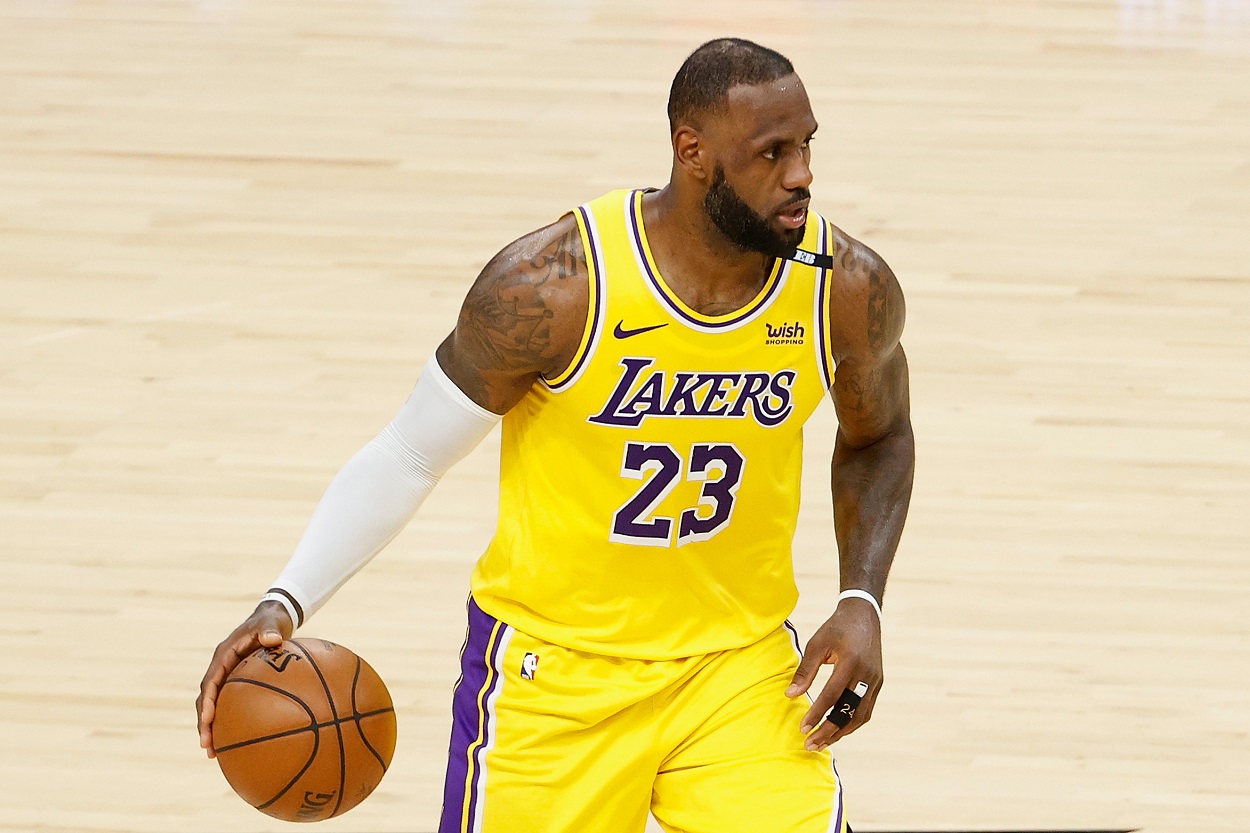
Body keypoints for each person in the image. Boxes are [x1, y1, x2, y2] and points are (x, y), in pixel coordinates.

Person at [196, 37, 914, 833]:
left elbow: (880, 434)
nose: (802, 173)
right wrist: (283, 600)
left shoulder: (844, 288)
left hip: (736, 670)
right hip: (554, 676)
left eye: (807, 144)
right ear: (694, 153)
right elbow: (409, 451)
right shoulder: (554, 286)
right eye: (772, 152)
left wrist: (861, 600)